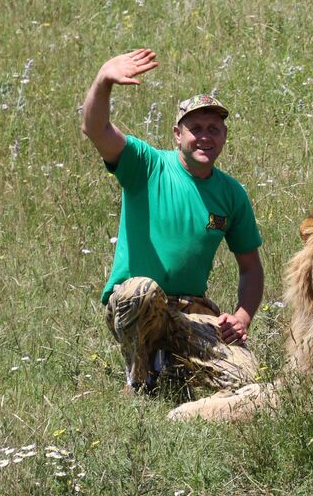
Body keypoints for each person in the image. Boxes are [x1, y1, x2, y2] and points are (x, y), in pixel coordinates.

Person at [81, 49, 264, 393]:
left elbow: (251, 268)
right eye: (195, 128)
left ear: (224, 136)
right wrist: (103, 80)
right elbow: (95, 128)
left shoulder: (232, 193)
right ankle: (141, 381)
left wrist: (242, 317)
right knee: (142, 291)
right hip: (136, 303)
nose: (205, 135)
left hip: (190, 311)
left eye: (214, 128)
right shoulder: (146, 165)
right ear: (177, 134)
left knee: (247, 377)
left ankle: (174, 364)